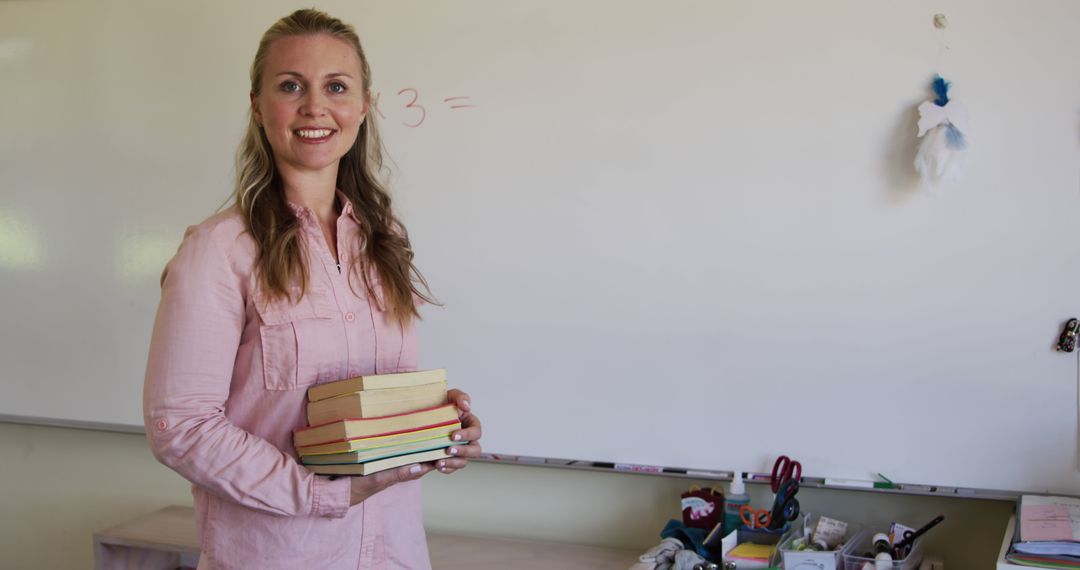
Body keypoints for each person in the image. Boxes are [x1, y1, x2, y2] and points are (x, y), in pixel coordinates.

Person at [143, 9, 482, 569]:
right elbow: (179, 426)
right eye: (290, 85)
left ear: (364, 105)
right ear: (257, 104)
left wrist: (439, 425)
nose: (315, 107)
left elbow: (375, 401)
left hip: (393, 551)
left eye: (337, 86)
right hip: (278, 555)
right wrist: (322, 493)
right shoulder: (218, 250)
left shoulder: (384, 241)